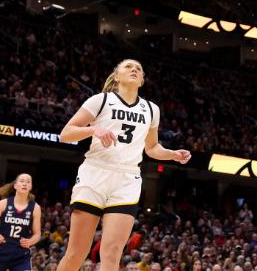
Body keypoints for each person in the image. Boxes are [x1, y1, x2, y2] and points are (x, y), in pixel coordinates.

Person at [56, 59, 191, 271]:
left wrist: (172, 154)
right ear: (117, 76)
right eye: (128, 67)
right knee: (77, 252)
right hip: (95, 172)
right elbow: (66, 134)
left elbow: (152, 148)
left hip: (127, 179)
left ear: (142, 80)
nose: (134, 69)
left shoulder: (151, 109)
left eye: (139, 68)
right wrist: (93, 130)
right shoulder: (100, 100)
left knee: (111, 253)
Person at [0, 175, 40, 271]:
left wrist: (30, 241)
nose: (25, 183)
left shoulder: (35, 208)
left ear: (30, 187)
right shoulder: (3, 203)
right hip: (0, 251)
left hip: (21, 254)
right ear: (15, 185)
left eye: (28, 182)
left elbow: (37, 234)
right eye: (22, 181)